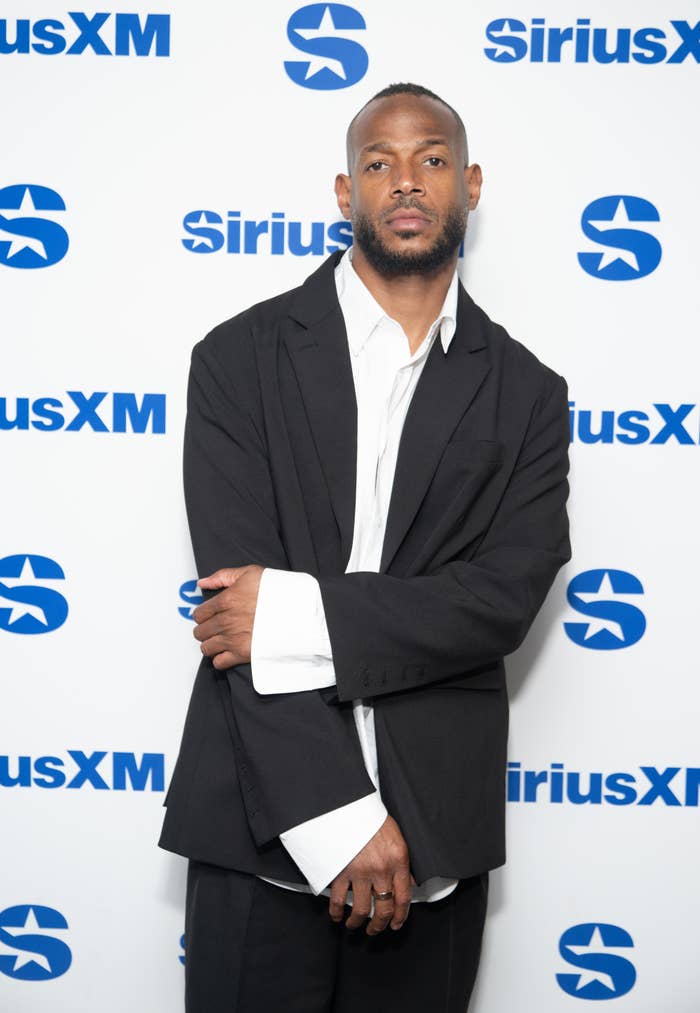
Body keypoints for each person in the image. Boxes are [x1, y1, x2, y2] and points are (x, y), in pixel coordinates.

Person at [159, 82, 571, 1013]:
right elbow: (234, 623)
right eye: (378, 163)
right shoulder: (237, 357)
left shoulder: (529, 393)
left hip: (438, 852)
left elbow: (500, 600)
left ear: (469, 184)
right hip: (261, 836)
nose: (406, 181)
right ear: (346, 195)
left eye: (430, 159)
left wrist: (298, 609)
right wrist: (339, 821)